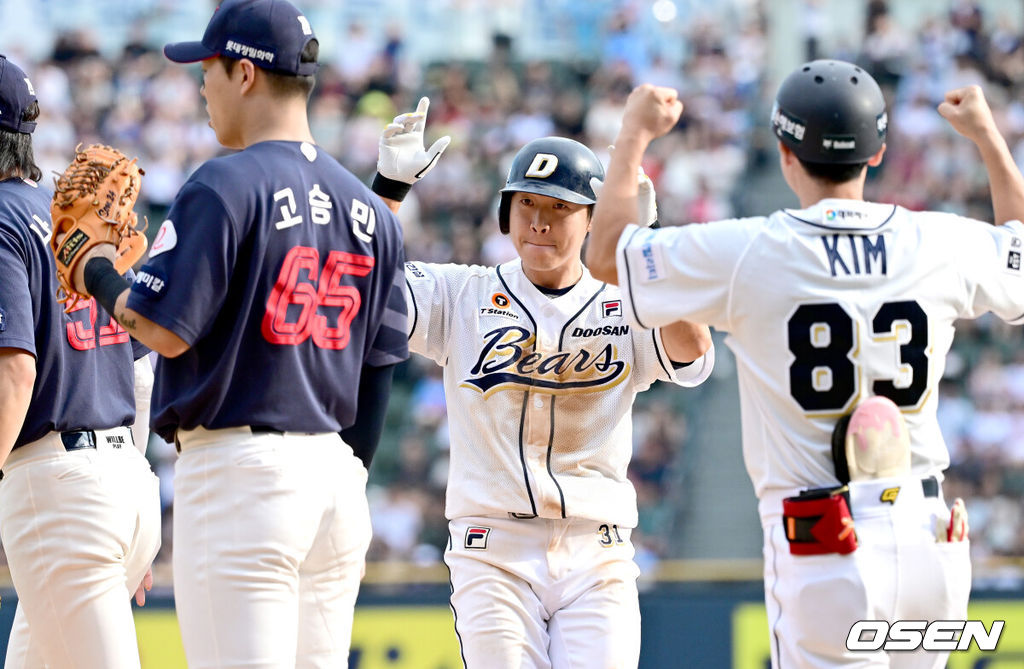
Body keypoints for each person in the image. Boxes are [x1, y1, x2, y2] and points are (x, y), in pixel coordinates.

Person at [586, 59, 1024, 668]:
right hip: (930, 536)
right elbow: (1020, 253)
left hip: (824, 539)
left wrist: (633, 133)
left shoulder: (747, 251)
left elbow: (604, 255)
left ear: (786, 153)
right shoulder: (938, 242)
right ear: (877, 154)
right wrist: (986, 135)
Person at [58, 0, 409, 665]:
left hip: (246, 478)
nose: (201, 83)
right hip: (335, 484)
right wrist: (344, 472)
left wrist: (97, 270)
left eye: (210, 69)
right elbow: (380, 368)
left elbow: (160, 329)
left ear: (245, 74)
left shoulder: (225, 182)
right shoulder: (374, 211)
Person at [371, 99, 714, 668]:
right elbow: (359, 290)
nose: (538, 221)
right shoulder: (463, 294)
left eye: (559, 208)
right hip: (492, 549)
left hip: (597, 551)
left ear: (591, 219)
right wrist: (385, 193)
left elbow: (693, 354)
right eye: (525, 204)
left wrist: (643, 249)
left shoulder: (626, 298)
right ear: (505, 213)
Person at [0, 54, 161, 669]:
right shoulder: (69, 222)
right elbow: (141, 372)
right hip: (121, 482)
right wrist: (130, 503)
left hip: (60, 492)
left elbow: (15, 372)